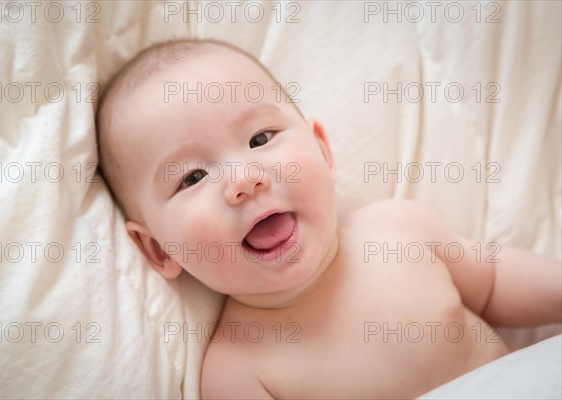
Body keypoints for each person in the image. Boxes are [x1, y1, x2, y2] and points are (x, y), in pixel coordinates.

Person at [96, 38, 561, 399]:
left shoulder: (397, 230)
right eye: (192, 177)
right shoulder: (237, 372)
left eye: (260, 139)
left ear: (322, 151)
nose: (244, 179)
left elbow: (494, 281)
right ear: (158, 248)